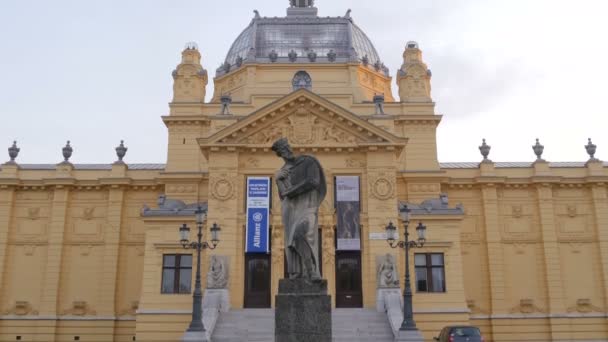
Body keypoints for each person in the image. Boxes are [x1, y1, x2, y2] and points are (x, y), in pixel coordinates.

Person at [272, 138, 326, 280]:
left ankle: (311, 270)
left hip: (307, 206)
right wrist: (277, 180)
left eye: (288, 147)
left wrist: (290, 192)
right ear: (280, 154)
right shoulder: (282, 171)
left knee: (300, 234)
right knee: (291, 243)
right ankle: (297, 273)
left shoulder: (308, 161)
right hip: (290, 210)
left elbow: (313, 181)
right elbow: (282, 195)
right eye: (283, 150)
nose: (287, 151)